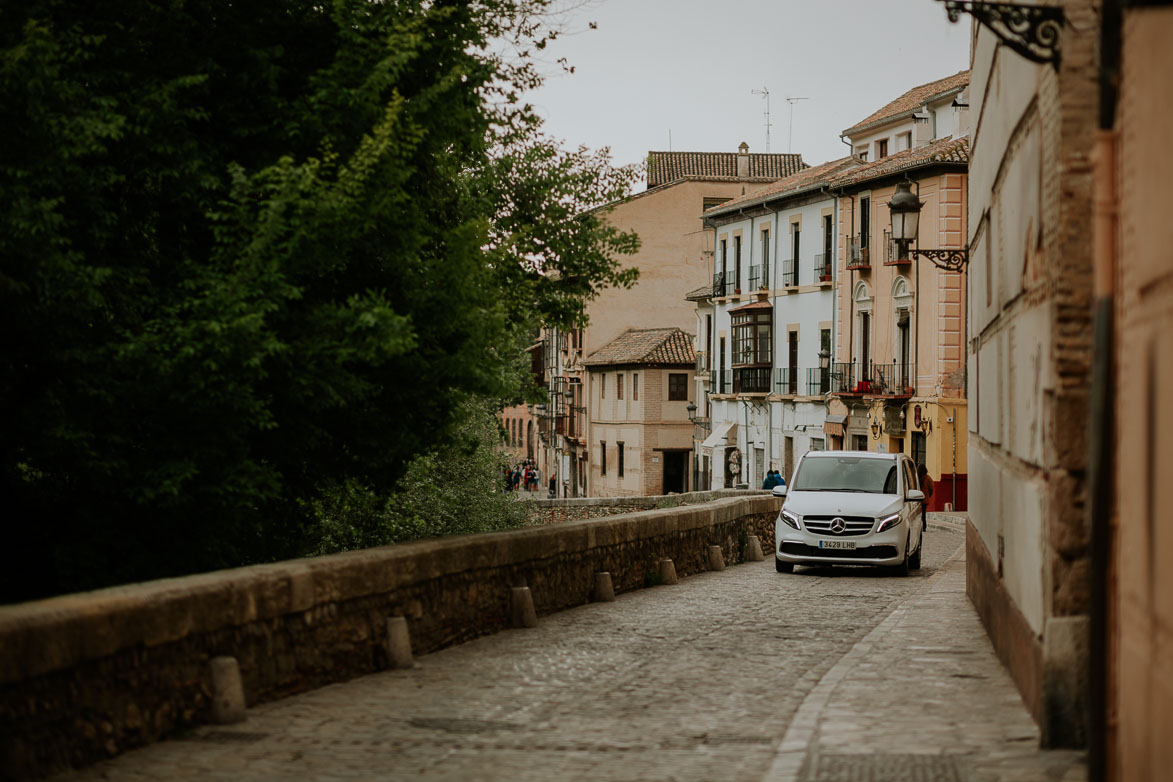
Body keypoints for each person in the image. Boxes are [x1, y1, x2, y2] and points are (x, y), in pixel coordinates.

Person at [916, 463, 934, 535]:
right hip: (924, 498)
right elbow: (931, 488)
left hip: (916, 498)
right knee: (923, 513)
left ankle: (918, 526)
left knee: (917, 514)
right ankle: (924, 526)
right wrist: (928, 496)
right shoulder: (928, 478)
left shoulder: (916, 477)